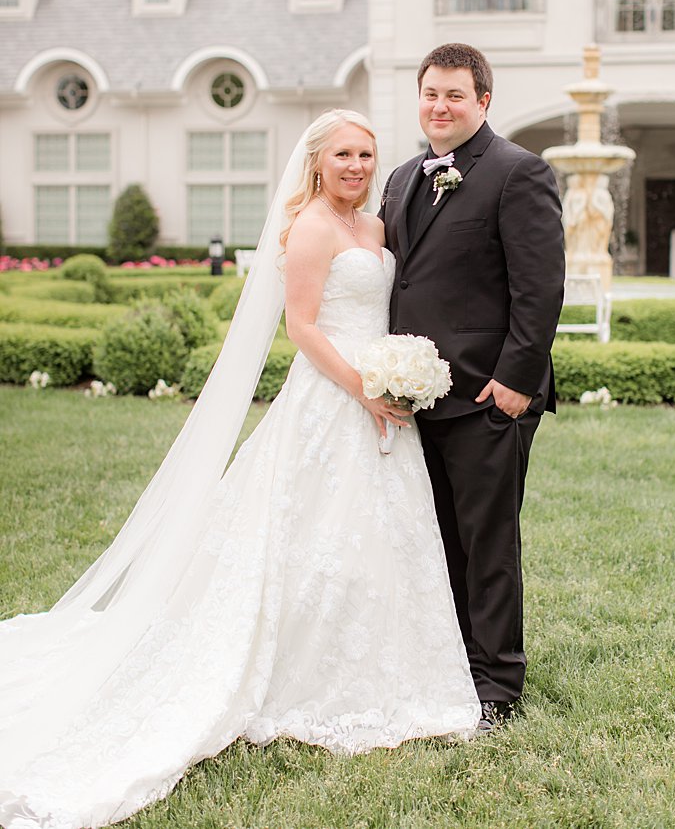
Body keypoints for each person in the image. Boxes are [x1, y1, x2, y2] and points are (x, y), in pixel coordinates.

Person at [0, 110, 479, 829]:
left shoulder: (377, 228)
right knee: (310, 535)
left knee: (383, 535)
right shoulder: (313, 227)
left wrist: (396, 377)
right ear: (317, 162)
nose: (356, 165)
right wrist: (364, 387)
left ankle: (384, 665)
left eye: (367, 154)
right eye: (344, 154)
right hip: (333, 398)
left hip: (383, 400)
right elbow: (304, 328)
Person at [378, 43, 565, 727]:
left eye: (455, 95)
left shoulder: (520, 173)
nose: (440, 106)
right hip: (417, 398)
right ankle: (448, 662)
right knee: (435, 538)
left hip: (489, 397)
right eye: (431, 93)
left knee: (488, 543)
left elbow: (540, 287)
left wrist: (515, 380)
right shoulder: (399, 179)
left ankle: (496, 685)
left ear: (483, 101)